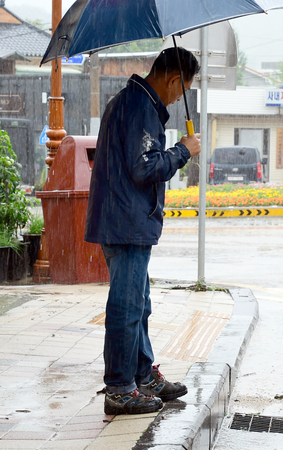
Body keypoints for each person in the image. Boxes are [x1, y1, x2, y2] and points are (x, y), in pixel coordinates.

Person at [85, 47, 202, 415]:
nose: (179, 97)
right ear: (172, 79)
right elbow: (143, 167)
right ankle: (120, 388)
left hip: (126, 219)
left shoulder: (135, 102)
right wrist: (182, 151)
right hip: (126, 222)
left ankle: (142, 375)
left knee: (139, 303)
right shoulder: (139, 107)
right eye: (182, 89)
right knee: (126, 306)